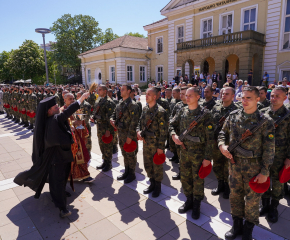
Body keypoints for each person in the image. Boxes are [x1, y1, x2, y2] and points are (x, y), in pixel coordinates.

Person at [14, 93, 90, 218]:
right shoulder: (54, 119)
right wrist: (81, 99)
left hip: (63, 155)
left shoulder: (51, 118)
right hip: (56, 158)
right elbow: (66, 113)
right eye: (55, 107)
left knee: (62, 178)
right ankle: (62, 208)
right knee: (57, 181)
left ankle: (60, 193)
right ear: (49, 111)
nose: (57, 108)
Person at [218, 86, 275, 240]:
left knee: (252, 202)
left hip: (254, 170)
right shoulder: (233, 116)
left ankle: (248, 230)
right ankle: (236, 226)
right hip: (234, 166)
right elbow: (223, 133)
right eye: (242, 97)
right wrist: (222, 146)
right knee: (235, 197)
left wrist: (264, 172)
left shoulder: (265, 121)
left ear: (257, 99)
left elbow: (269, 149)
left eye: (248, 98)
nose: (244, 101)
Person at [170, 87, 214, 219]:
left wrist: (207, 158)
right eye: (186, 95)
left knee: (198, 180)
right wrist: (174, 136)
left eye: (190, 95)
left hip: (199, 155)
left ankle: (197, 204)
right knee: (185, 178)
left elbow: (210, 139)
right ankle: (189, 200)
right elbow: (171, 124)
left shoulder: (206, 115)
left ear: (197, 97)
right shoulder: (182, 111)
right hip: (184, 153)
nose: (186, 98)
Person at [259, 86, 290, 223]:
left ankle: (274, 207)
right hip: (263, 154)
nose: (274, 98)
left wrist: (289, 157)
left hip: (280, 155)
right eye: (272, 95)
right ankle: (265, 205)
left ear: (285, 98)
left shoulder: (288, 116)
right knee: (264, 178)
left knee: (277, 182)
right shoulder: (262, 113)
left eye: (278, 96)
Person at [137, 87, 167, 197]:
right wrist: (138, 131)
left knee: (157, 166)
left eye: (149, 94)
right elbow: (139, 123)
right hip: (146, 143)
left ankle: (157, 186)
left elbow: (164, 132)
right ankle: (152, 183)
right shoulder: (145, 109)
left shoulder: (160, 112)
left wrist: (160, 147)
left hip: (156, 144)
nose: (146, 96)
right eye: (146, 94)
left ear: (154, 97)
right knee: (148, 164)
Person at [61, 93, 94, 183]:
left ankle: (84, 176)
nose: (72, 100)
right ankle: (67, 176)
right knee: (69, 159)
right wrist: (72, 124)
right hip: (68, 140)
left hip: (78, 139)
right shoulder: (61, 111)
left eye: (73, 99)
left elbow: (82, 122)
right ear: (65, 100)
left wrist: (85, 134)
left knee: (81, 158)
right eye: (70, 99)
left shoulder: (77, 110)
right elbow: (60, 125)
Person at [211, 87, 237, 199]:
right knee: (217, 165)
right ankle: (220, 184)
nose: (223, 95)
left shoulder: (236, 110)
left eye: (227, 94)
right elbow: (211, 122)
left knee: (228, 167)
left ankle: (227, 187)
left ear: (233, 96)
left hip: (229, 145)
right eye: (222, 93)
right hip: (216, 143)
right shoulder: (216, 107)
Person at [110, 84, 140, 183]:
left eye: (123, 89)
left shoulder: (133, 105)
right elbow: (114, 114)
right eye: (120, 89)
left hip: (128, 135)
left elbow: (134, 123)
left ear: (129, 91)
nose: (120, 91)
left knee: (130, 155)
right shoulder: (119, 103)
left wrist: (130, 137)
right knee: (124, 153)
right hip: (121, 133)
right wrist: (112, 120)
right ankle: (126, 171)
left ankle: (132, 174)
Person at [92, 85, 116, 172]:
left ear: (105, 91)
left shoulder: (109, 102)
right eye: (98, 90)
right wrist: (93, 117)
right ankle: (104, 162)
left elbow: (110, 118)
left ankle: (108, 164)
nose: (98, 91)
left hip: (106, 128)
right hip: (99, 127)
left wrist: (108, 130)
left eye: (100, 90)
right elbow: (96, 111)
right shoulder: (99, 100)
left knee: (108, 146)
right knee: (102, 145)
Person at [168, 87, 188, 179]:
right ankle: (181, 173)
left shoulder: (195, 106)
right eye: (181, 94)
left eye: (184, 94)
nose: (181, 95)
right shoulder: (178, 105)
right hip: (179, 135)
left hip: (191, 138)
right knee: (181, 157)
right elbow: (172, 118)